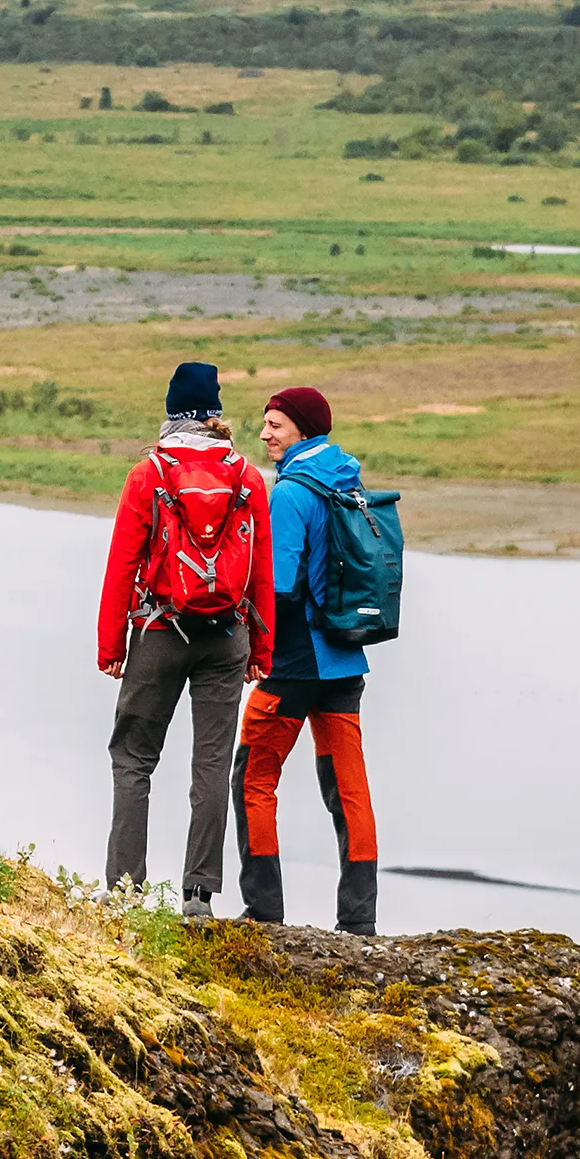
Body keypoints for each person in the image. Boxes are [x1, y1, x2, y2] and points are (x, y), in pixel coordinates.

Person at [96, 360, 270, 916]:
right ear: (215, 415)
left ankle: (125, 891)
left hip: (159, 632)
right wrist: (261, 650)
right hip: (228, 636)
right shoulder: (248, 477)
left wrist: (110, 646)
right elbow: (262, 572)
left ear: (172, 413)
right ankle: (199, 894)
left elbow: (122, 564)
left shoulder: (149, 474)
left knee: (133, 757)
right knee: (212, 764)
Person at [242, 385, 380, 933]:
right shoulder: (348, 476)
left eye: (275, 424)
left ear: (303, 430)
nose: (265, 434)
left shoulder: (292, 491)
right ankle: (359, 921)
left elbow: (279, 584)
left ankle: (264, 913)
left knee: (253, 779)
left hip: (295, 663)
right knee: (349, 789)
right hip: (348, 662)